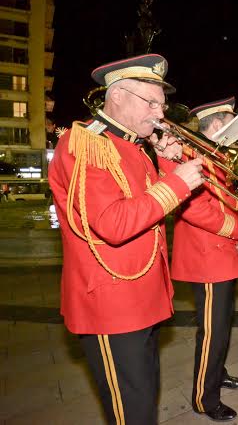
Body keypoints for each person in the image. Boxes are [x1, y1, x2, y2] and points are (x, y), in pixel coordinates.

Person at [48, 54, 205, 424]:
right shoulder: (85, 143)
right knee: (129, 410)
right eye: (150, 102)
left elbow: (149, 207)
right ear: (116, 96)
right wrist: (178, 181)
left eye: (162, 105)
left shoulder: (133, 146)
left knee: (144, 397)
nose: (160, 113)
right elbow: (113, 224)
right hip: (112, 302)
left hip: (142, 296)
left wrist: (167, 163)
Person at [171, 97, 238, 421]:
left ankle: (217, 373)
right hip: (207, 256)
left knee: (222, 326)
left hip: (222, 254)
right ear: (218, 124)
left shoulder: (215, 155)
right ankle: (204, 398)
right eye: (232, 122)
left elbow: (220, 200)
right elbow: (194, 208)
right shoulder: (193, 154)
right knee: (212, 330)